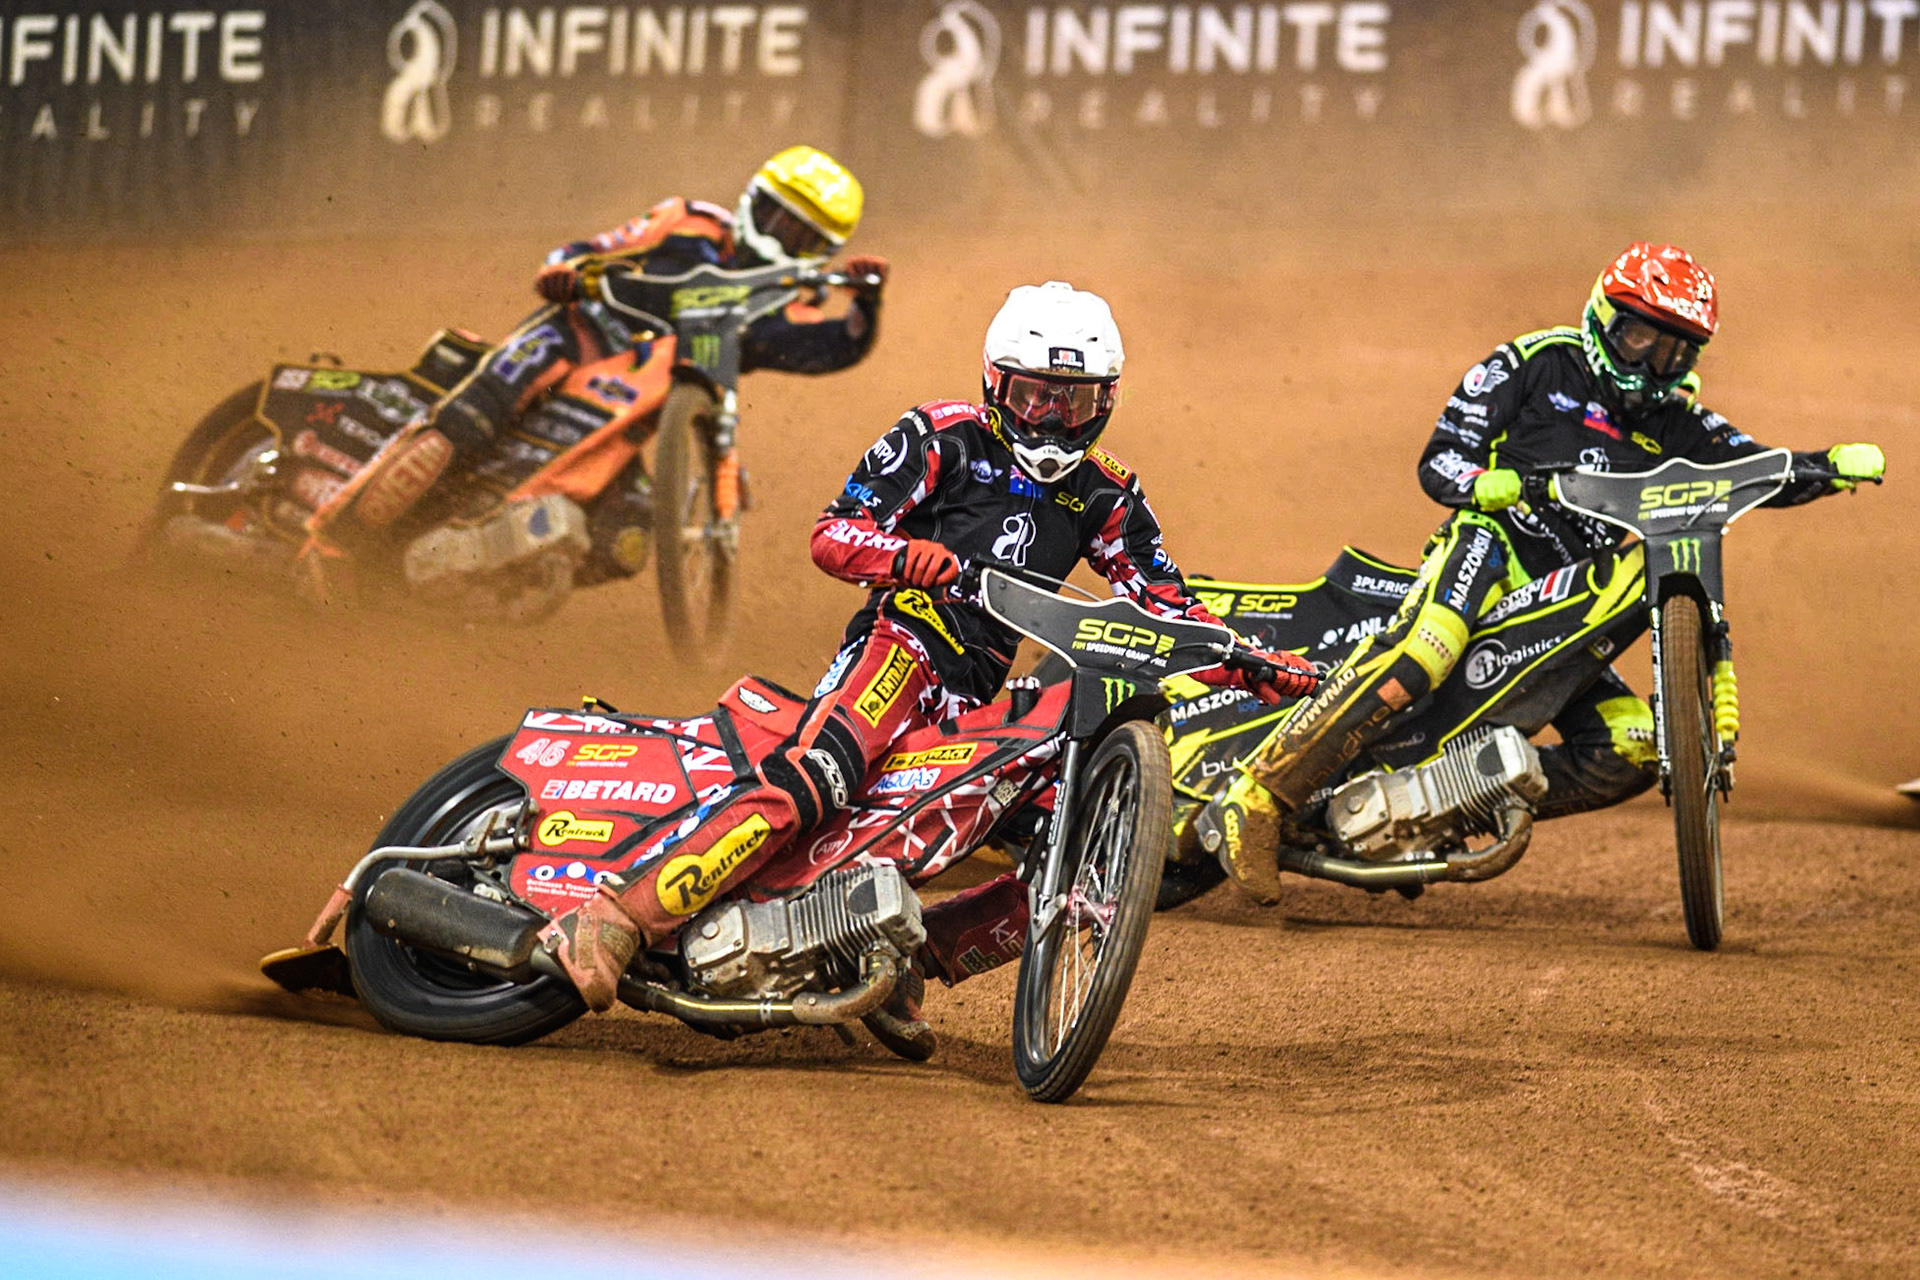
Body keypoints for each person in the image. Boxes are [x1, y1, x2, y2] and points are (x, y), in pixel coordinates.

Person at [535, 280, 1319, 1034]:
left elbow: (1167, 608)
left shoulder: (1108, 494)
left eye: (1073, 401)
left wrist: (1252, 663)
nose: (1052, 419)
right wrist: (906, 558)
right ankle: (617, 919)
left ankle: (908, 963)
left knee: (1084, 859)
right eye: (1034, 396)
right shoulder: (943, 435)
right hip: (900, 643)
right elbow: (833, 532)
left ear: (1105, 403)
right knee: (821, 777)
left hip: (979, 692)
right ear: (995, 384)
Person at [1199, 241, 1887, 903]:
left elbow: (1752, 470)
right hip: (1492, 549)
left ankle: (1426, 814)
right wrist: (1483, 483)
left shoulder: (1681, 425)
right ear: (1600, 318)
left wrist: (1829, 466)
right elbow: (1439, 459)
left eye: (1674, 350)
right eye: (1639, 338)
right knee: (1423, 651)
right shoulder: (1536, 362)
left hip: (1568, 603)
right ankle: (1258, 796)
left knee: (1633, 749)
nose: (1652, 364)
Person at [302, 144, 887, 559]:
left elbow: (835, 347)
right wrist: (564, 271)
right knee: (471, 417)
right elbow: (587, 249)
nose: (784, 237)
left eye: (803, 235)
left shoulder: (786, 302)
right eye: (778, 217)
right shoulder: (687, 221)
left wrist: (867, 300)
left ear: (823, 250)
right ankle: (329, 542)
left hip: (631, 411)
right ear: (752, 201)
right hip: (578, 332)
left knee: (625, 538)